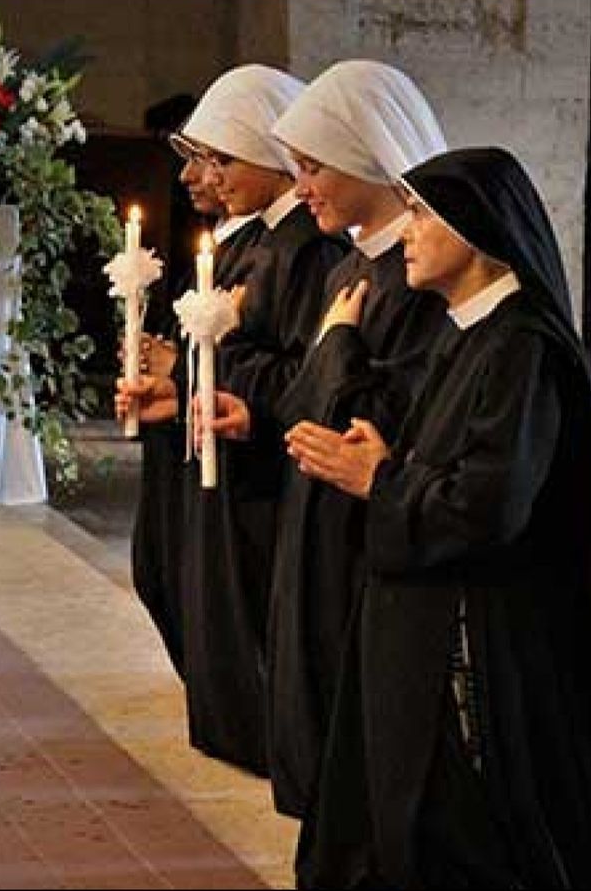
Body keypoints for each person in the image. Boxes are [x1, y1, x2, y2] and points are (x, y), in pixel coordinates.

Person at [285, 147, 591, 890]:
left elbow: (490, 505)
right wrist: (388, 458)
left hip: (495, 635)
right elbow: (449, 462)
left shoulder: (523, 347)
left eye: (421, 214)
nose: (407, 232)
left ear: (475, 231)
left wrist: (381, 480)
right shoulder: (471, 330)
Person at [209, 59, 449, 818]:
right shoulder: (353, 263)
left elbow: (396, 411)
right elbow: (310, 395)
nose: (301, 184)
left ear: (369, 159)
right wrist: (263, 411)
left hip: (362, 526)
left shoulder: (420, 274)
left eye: (313, 168)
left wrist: (339, 343)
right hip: (314, 511)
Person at [128, 63, 348, 776]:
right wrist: (174, 382)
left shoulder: (310, 251)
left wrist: (196, 370)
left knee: (250, 614)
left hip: (264, 472)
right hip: (224, 455)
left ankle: (265, 738)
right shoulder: (252, 243)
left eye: (222, 159)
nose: (209, 177)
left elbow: (309, 373)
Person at [120, 114, 264, 681]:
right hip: (183, 444)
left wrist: (180, 371)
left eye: (213, 159)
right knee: (162, 576)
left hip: (236, 462)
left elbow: (277, 364)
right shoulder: (224, 245)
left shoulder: (291, 253)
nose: (193, 176)